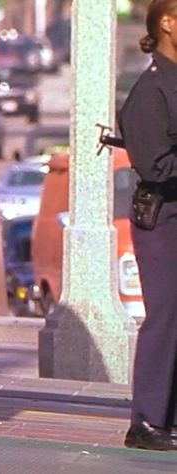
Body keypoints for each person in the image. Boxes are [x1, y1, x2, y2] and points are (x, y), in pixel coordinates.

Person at [119, 0, 177, 451]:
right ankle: (147, 421)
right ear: (167, 23)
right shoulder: (151, 89)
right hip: (165, 218)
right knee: (166, 316)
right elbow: (156, 166)